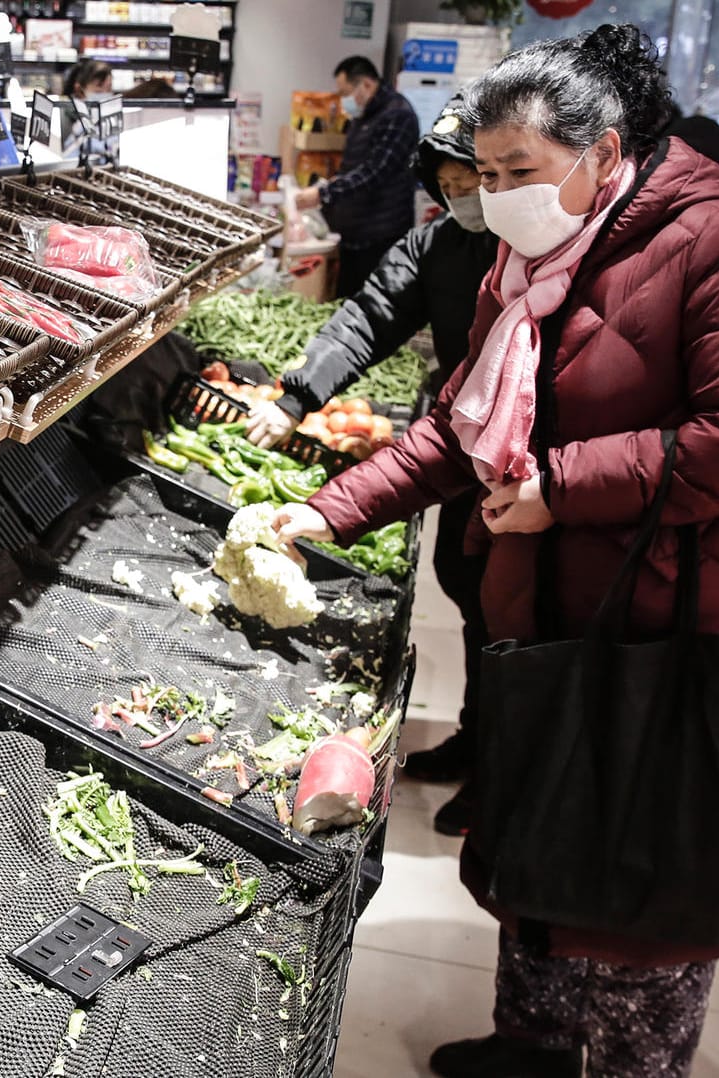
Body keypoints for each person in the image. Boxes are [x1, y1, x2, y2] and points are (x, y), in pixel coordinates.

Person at [273, 25, 719, 1077]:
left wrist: (560, 489)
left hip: (673, 624)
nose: (498, 196)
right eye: (485, 174)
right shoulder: (528, 256)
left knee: (643, 874)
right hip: (545, 617)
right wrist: (327, 508)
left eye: (520, 172)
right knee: (540, 835)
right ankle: (528, 1044)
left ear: (605, 151)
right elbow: (459, 427)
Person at [247, 97, 499, 834]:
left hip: (530, 465)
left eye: (474, 181)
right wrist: (297, 396)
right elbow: (368, 316)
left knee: (511, 615)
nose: (463, 198)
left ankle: (499, 772)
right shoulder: (439, 246)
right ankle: (476, 738)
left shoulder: (537, 255)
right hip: (462, 448)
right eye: (450, 185)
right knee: (471, 590)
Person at [293, 56, 421, 299]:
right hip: (355, 233)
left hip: (380, 235)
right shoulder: (364, 114)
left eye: (345, 92)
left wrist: (323, 193)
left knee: (370, 306)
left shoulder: (398, 116)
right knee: (346, 303)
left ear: (367, 85)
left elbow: (375, 172)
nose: (343, 100)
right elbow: (352, 167)